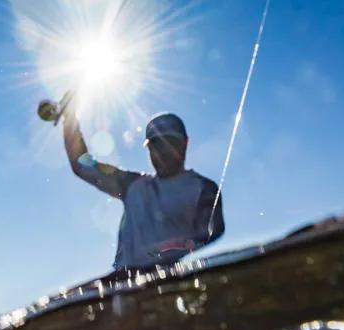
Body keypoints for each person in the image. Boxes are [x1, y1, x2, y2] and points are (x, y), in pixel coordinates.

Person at [62, 100, 224, 271]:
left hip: (175, 285)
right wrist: (69, 119)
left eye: (169, 143)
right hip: (123, 289)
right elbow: (81, 166)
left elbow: (211, 233)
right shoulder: (132, 185)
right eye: (155, 145)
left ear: (185, 143)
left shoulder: (205, 189)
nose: (161, 152)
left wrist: (163, 257)